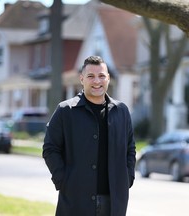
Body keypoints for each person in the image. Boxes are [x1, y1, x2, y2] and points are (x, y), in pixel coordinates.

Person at [42, 55, 136, 216]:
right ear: (81, 79)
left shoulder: (121, 111)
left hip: (113, 203)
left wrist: (127, 179)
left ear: (108, 78)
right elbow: (50, 149)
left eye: (101, 76)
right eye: (91, 76)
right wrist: (63, 181)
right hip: (76, 200)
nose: (97, 81)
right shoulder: (66, 111)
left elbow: (130, 149)